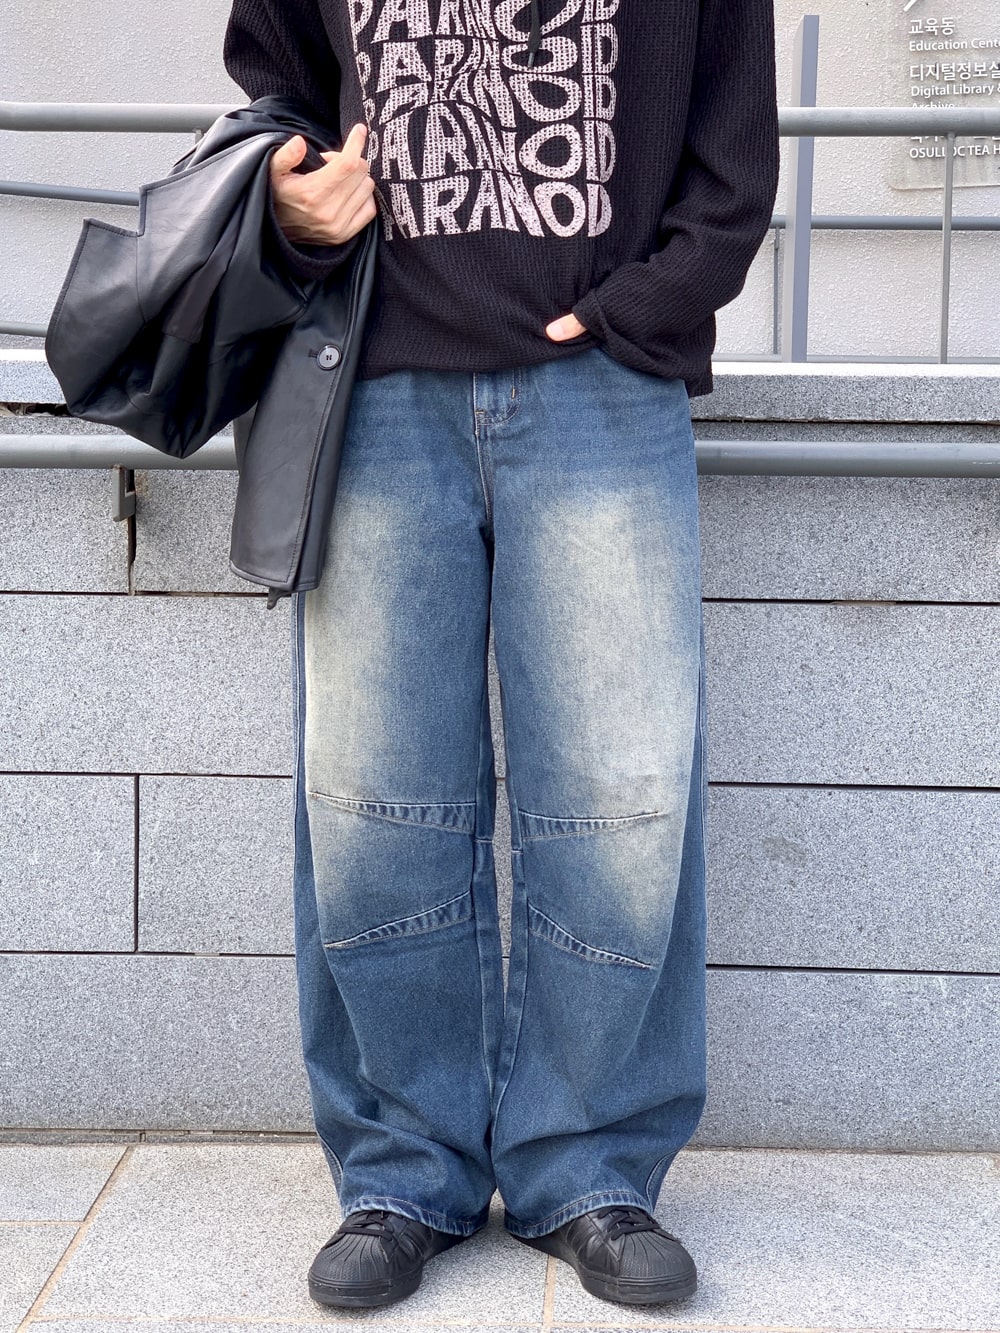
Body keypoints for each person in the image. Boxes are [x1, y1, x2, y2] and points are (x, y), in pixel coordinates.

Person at [223, 0, 779, 1311]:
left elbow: (733, 139)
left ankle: (592, 1168)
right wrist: (289, 197)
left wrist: (652, 300)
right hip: (371, 380)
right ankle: (400, 1171)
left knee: (622, 797)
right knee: (373, 799)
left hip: (603, 384)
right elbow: (275, 82)